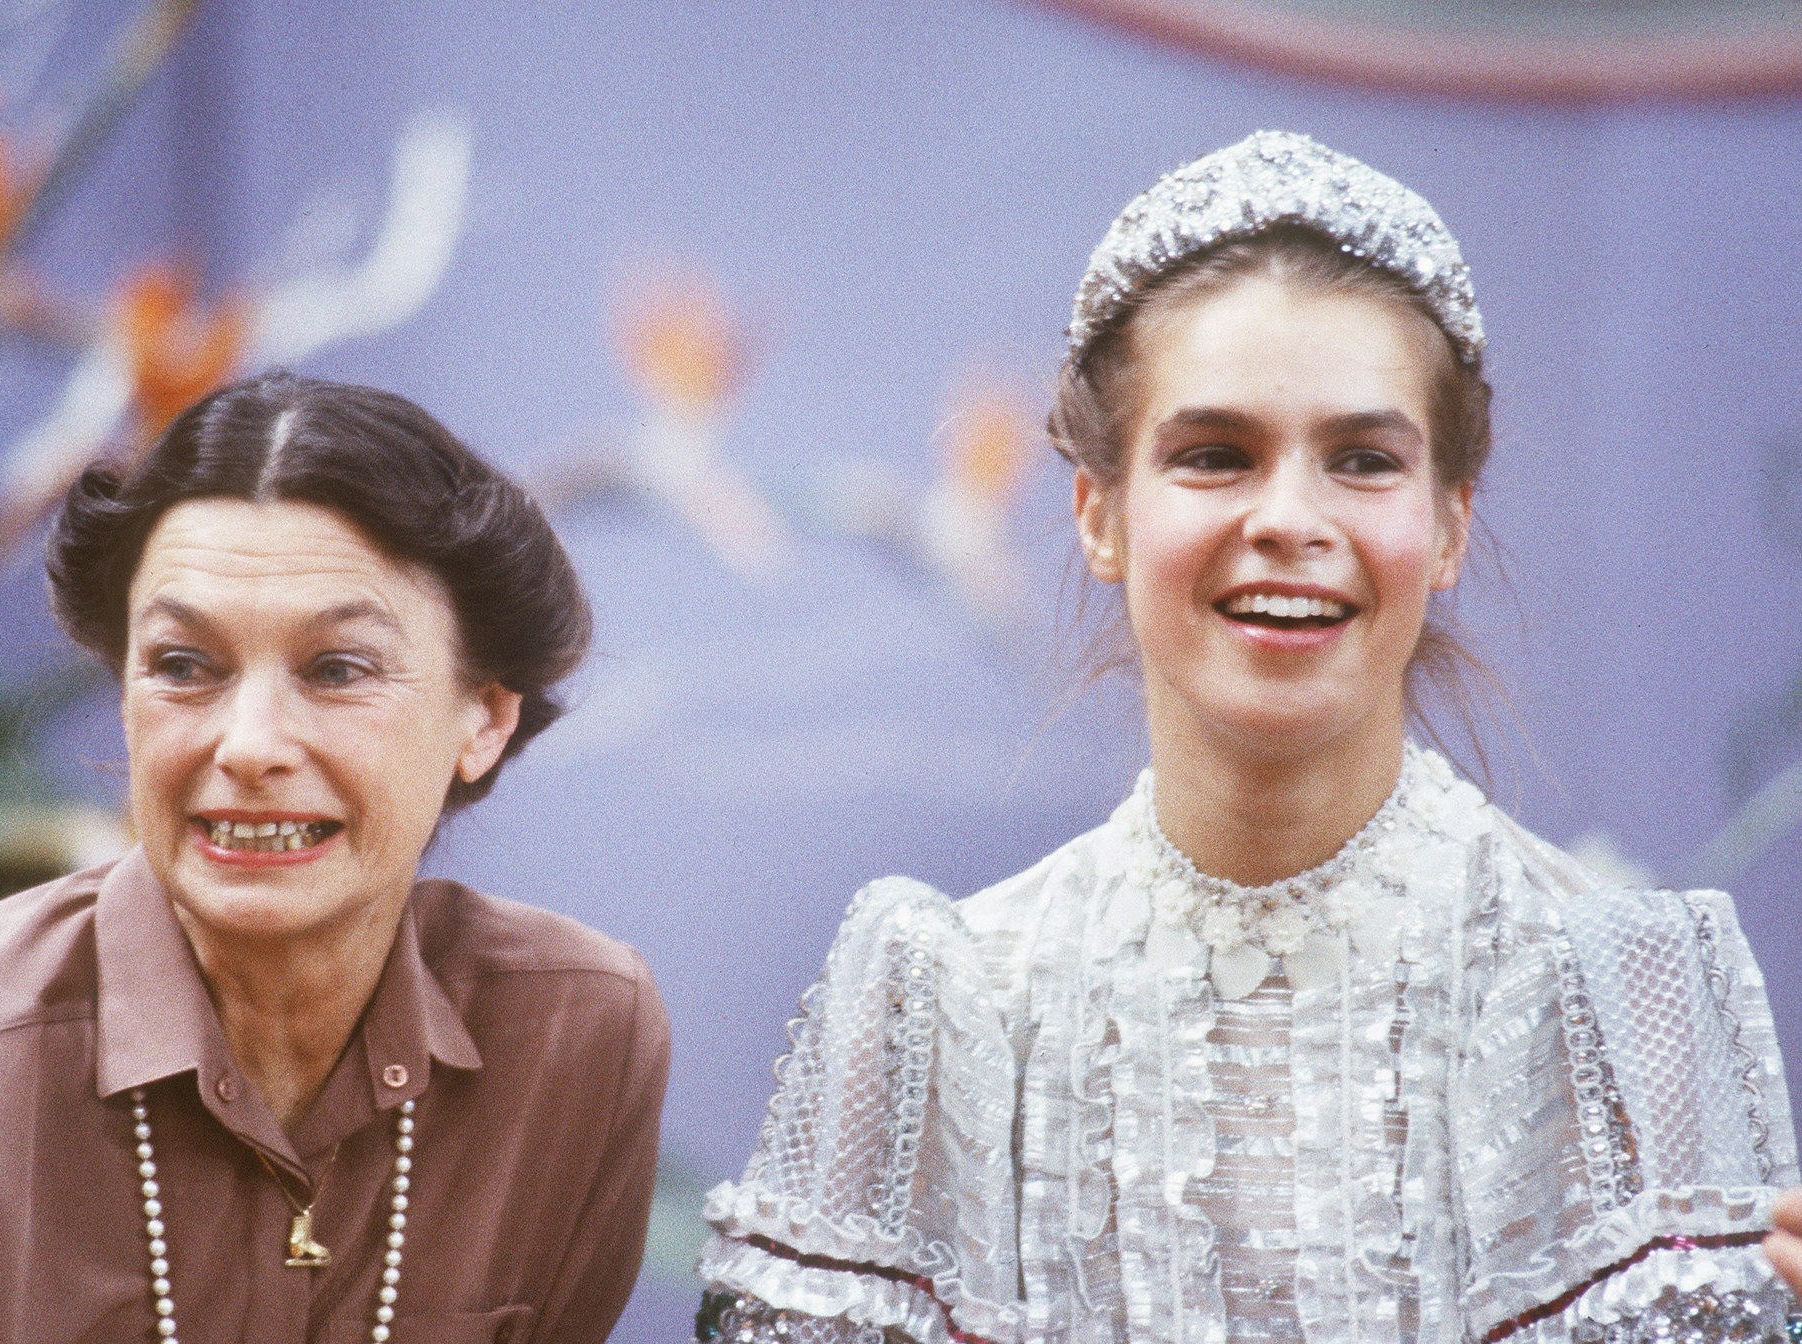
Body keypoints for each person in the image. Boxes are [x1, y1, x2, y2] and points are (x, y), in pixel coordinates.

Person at [695, 133, 1800, 1343]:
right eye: (1215, 456)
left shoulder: (1616, 994)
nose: (1287, 519)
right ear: (1097, 514)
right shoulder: (942, 1001)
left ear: (1447, 525)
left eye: (1362, 461)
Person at [0, 372, 670, 1343]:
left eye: (336, 669)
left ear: (485, 717)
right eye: (184, 666)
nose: (249, 744)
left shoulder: (574, 1037)